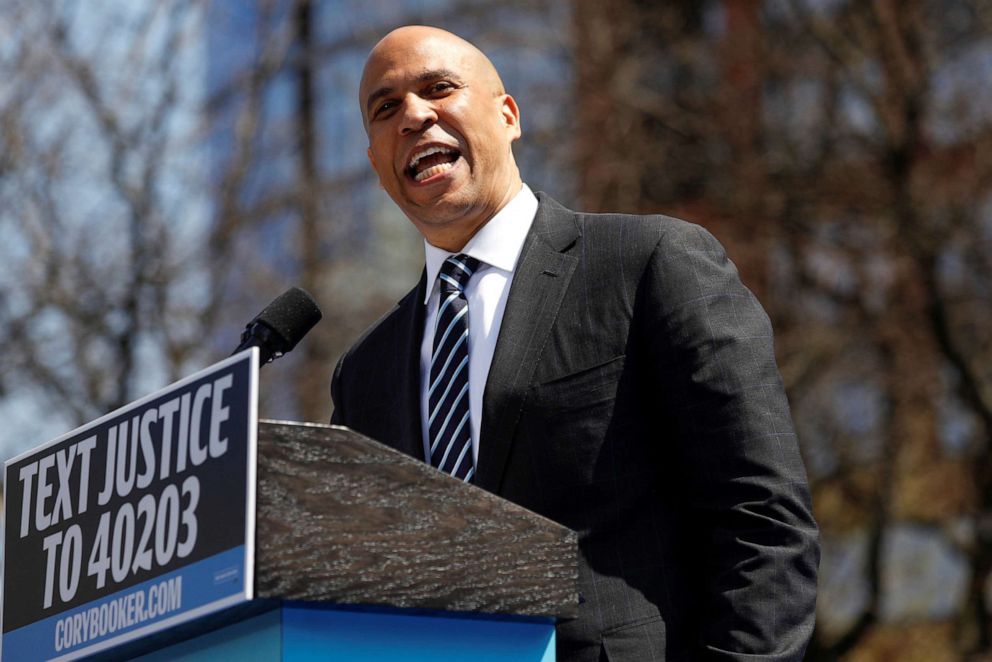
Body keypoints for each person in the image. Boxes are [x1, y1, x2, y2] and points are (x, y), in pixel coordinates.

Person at [331, 25, 818, 661]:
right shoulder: (364, 373)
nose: (414, 116)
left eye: (439, 89)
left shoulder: (648, 264)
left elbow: (763, 519)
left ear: (508, 114)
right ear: (375, 160)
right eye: (385, 108)